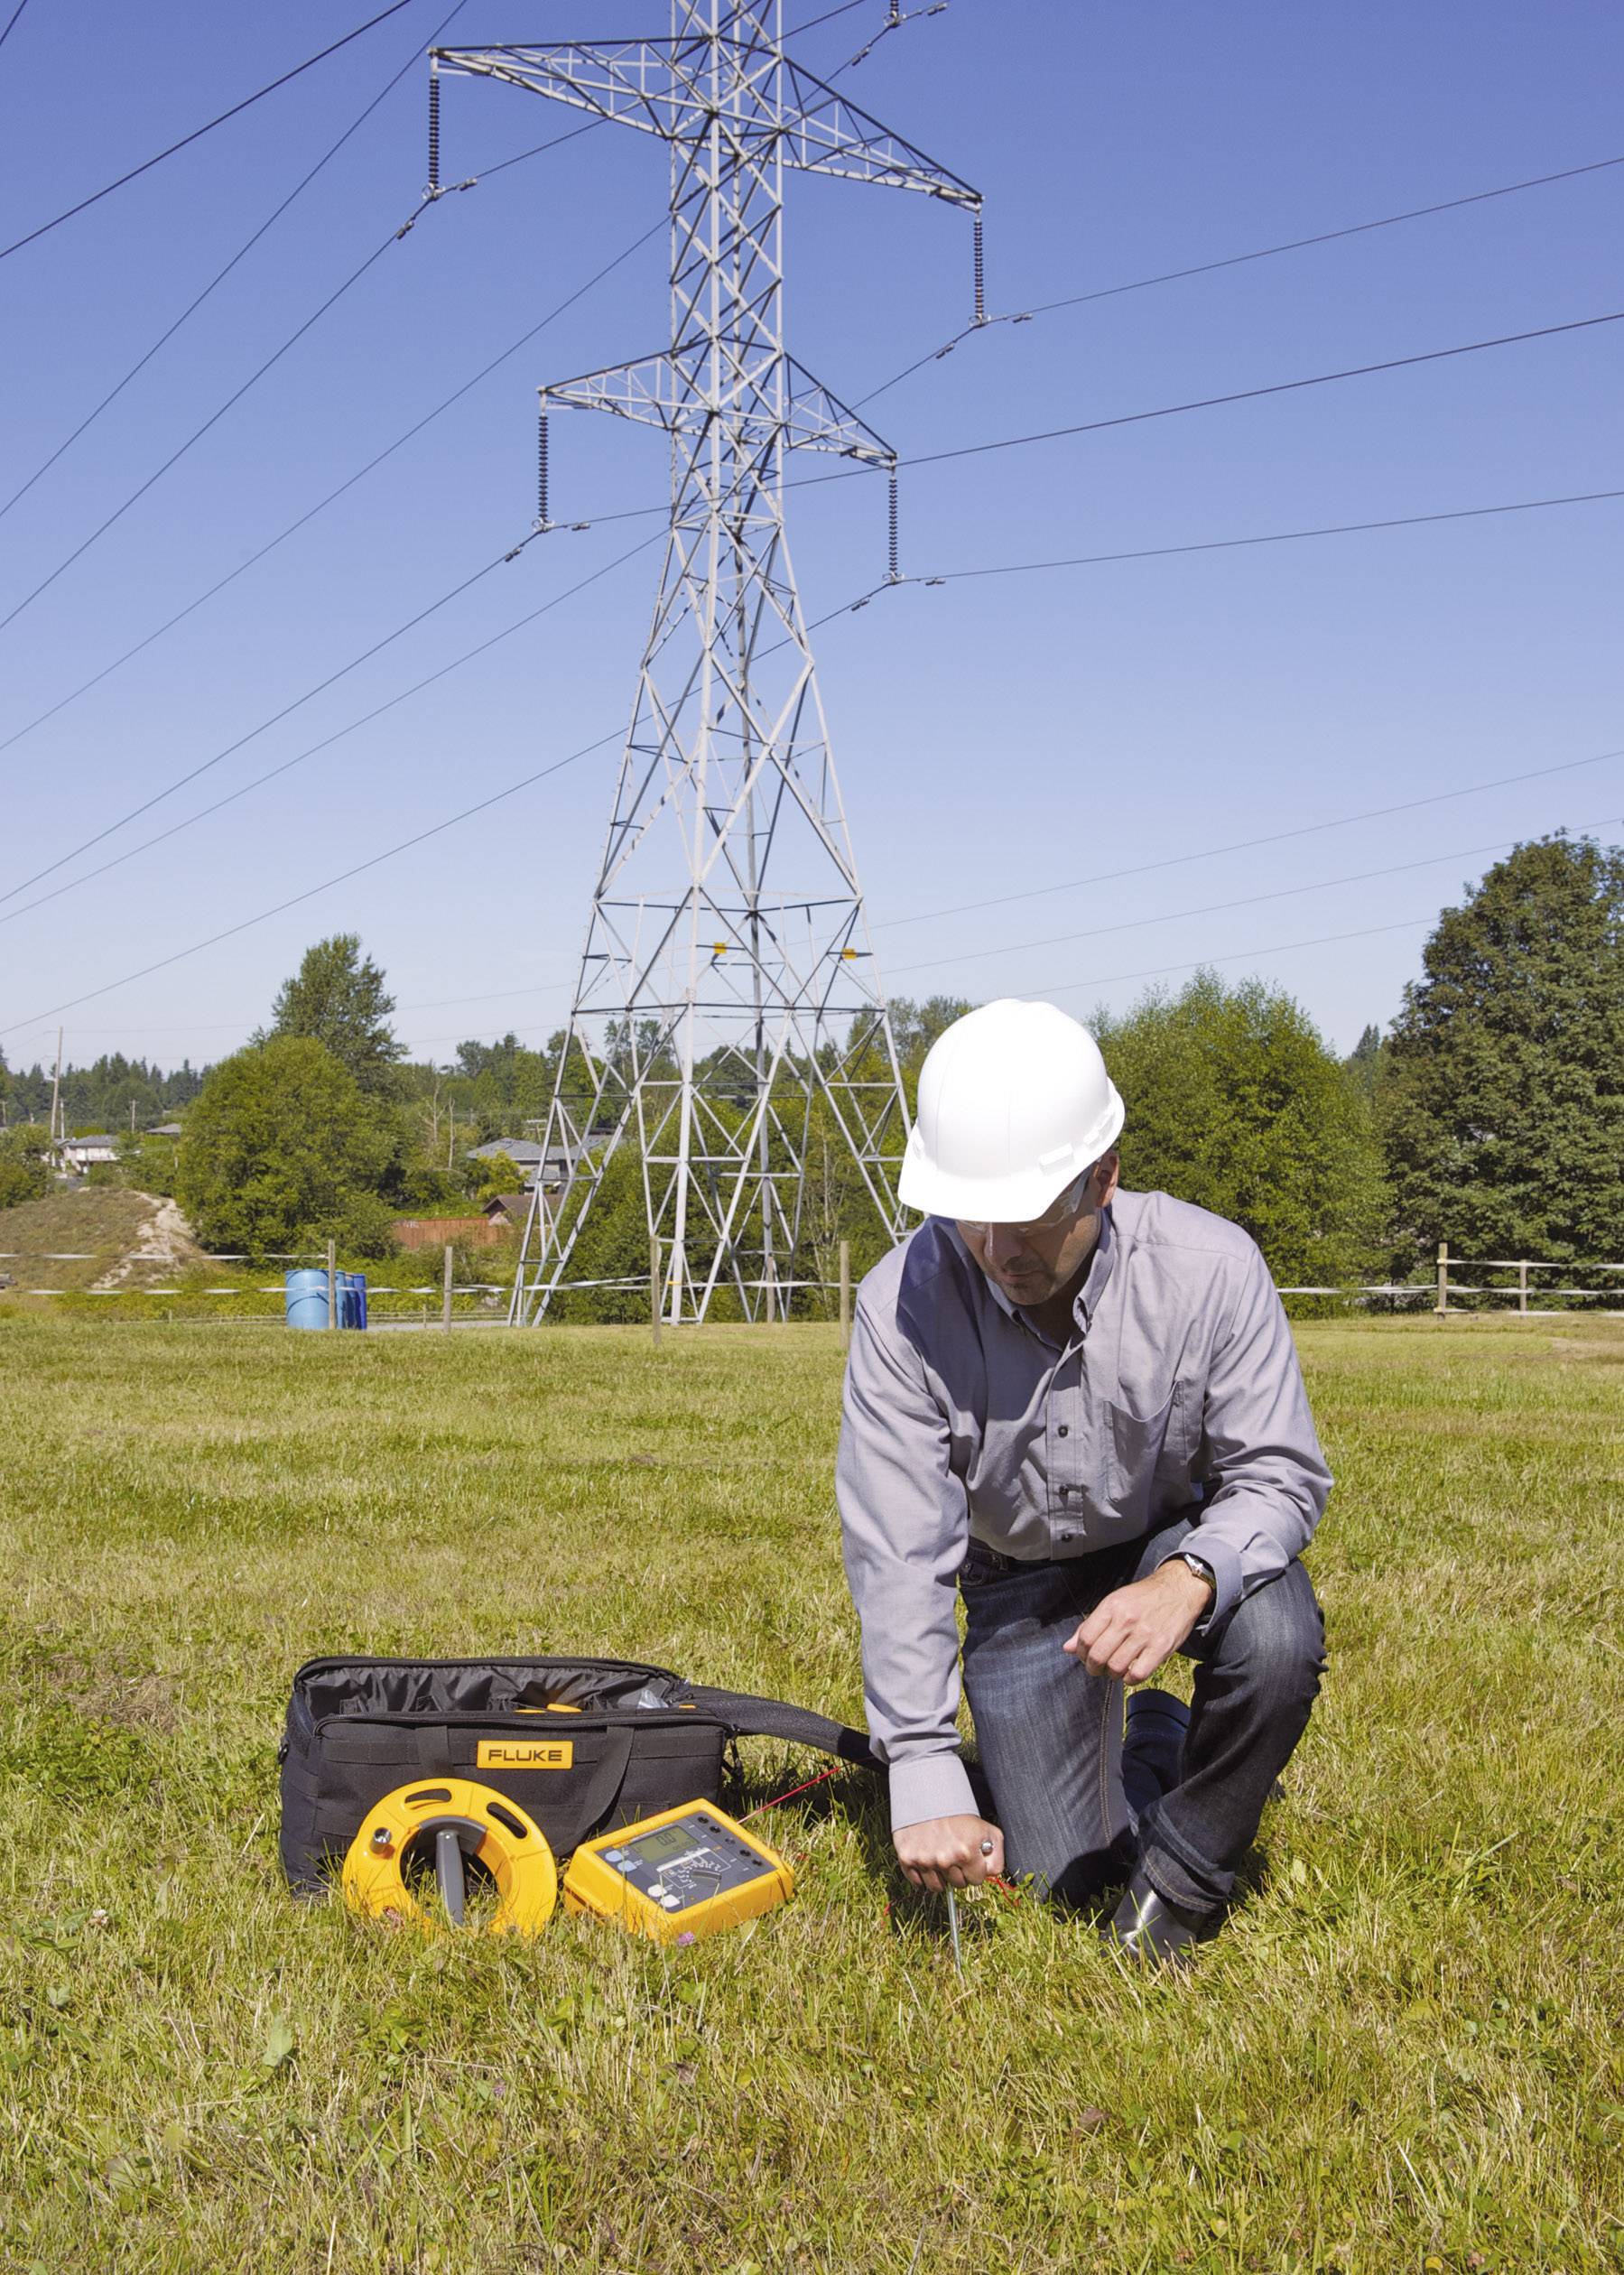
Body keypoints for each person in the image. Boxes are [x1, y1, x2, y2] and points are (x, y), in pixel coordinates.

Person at [836, 998, 1330, 1960]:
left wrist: (1184, 1580)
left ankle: (1181, 1883)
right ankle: (1155, 1740)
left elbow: (1276, 1475)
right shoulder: (898, 1305)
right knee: (1063, 1875)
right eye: (969, 1214)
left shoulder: (1212, 1269)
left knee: (1272, 1638)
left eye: (1026, 1216)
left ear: (1103, 1178)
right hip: (1016, 1576)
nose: (997, 1250)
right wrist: (926, 1771)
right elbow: (898, 1552)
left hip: (1165, 1544)